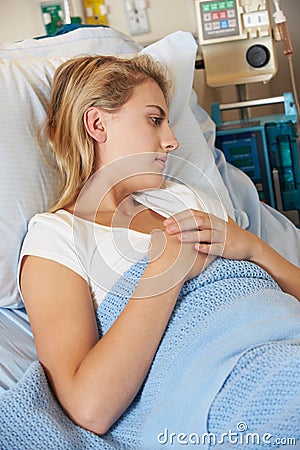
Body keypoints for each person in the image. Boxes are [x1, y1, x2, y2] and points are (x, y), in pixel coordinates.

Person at [19, 54, 300, 437]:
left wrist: (252, 248)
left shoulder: (184, 198)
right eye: (154, 120)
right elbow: (89, 408)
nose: (171, 141)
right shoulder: (57, 237)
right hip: (232, 382)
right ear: (97, 123)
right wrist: (165, 270)